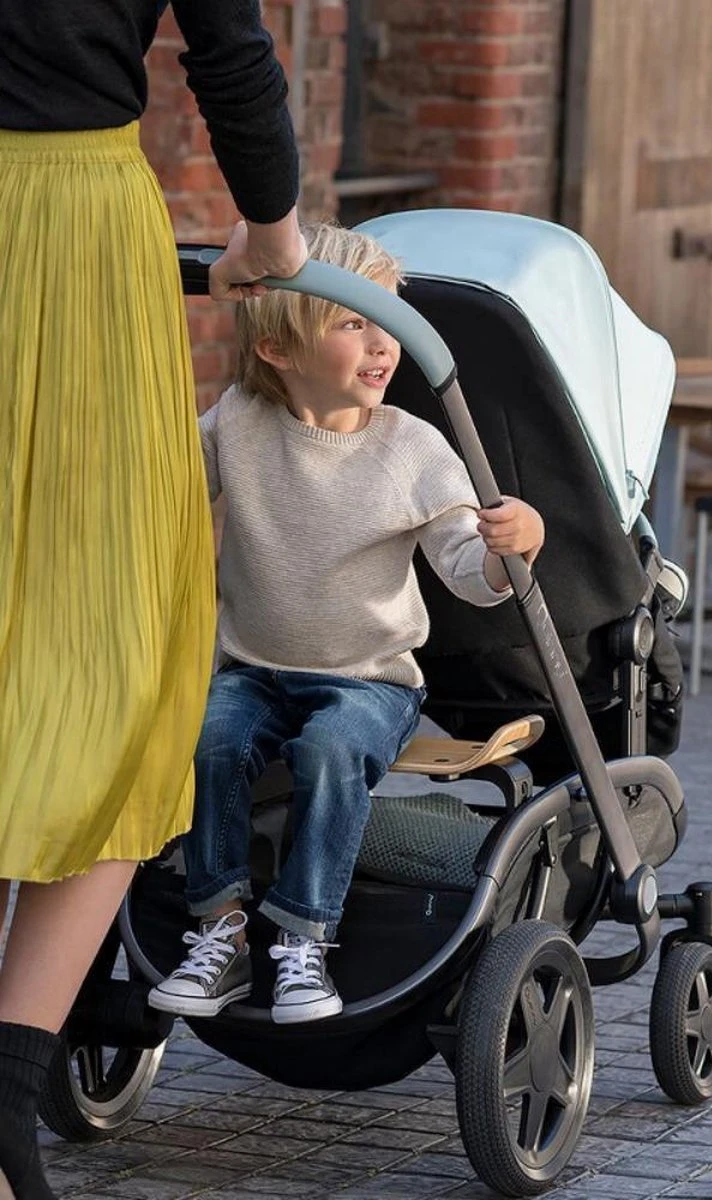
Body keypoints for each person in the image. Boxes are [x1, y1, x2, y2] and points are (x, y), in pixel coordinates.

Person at [0, 2, 308, 1195]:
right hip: (78, 236)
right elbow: (230, 52)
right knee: (122, 670)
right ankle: (4, 1104)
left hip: (78, 229)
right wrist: (273, 239)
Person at [147, 223, 546, 1025]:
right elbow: (161, 483)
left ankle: (302, 938)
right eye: (351, 322)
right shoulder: (240, 424)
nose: (380, 343)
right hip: (255, 668)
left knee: (330, 749)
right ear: (279, 353)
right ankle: (220, 928)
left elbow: (470, 573)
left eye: (386, 320)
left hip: (370, 679)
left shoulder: (414, 448)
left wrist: (515, 548)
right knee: (208, 739)